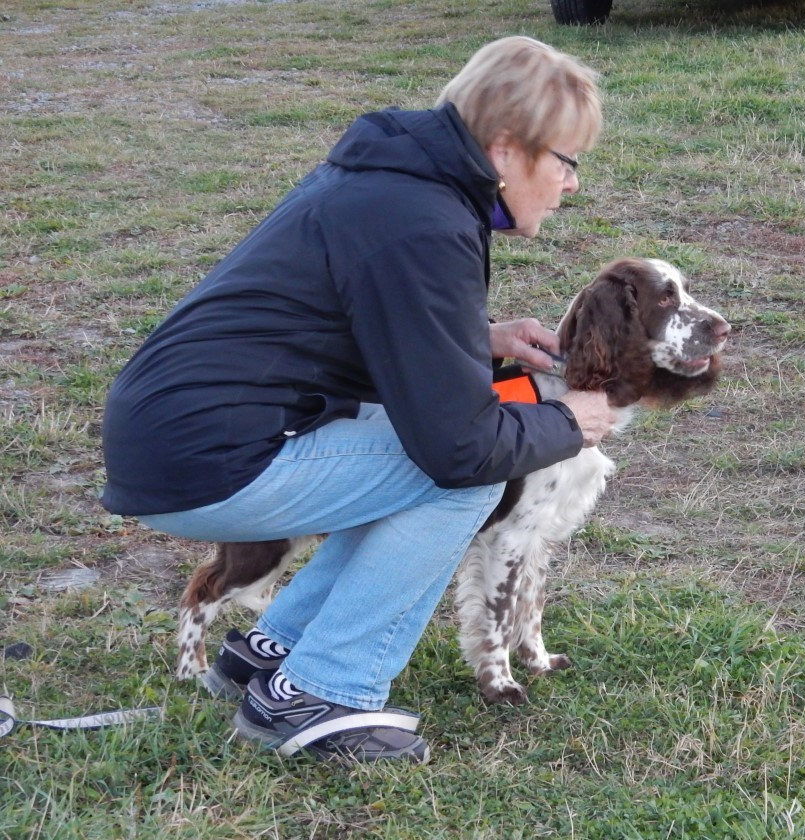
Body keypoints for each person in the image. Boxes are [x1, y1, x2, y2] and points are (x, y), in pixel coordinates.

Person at [100, 36, 615, 763]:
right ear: (505, 151)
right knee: (470, 469)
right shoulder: (425, 222)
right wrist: (569, 420)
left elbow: (343, 319)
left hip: (171, 438)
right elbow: (460, 446)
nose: (572, 184)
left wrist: (477, 336)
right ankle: (324, 691)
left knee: (434, 451)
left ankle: (273, 653)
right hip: (204, 459)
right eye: (566, 161)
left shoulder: (397, 182)